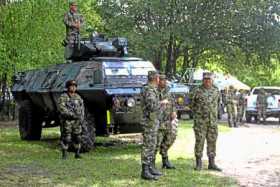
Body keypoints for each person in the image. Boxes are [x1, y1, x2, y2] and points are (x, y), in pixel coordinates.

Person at [190, 72, 222, 171]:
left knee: (212, 142)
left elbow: (218, 103)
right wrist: (198, 114)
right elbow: (191, 104)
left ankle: (211, 163)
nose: (207, 81)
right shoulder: (197, 90)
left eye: (209, 79)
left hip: (212, 121)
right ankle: (198, 163)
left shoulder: (216, 90)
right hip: (200, 122)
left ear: (212, 80)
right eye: (205, 79)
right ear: (202, 80)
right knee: (200, 141)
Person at [140, 71, 164, 180]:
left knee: (152, 145)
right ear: (156, 78)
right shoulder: (149, 90)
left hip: (153, 121)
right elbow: (152, 106)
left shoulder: (152, 89)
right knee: (148, 145)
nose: (159, 80)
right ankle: (145, 171)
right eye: (158, 78)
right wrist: (162, 102)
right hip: (149, 122)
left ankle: (150, 168)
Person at [154, 74, 178, 170]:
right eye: (161, 80)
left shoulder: (168, 91)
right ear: (158, 81)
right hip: (158, 121)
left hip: (168, 120)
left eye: (164, 80)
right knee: (156, 143)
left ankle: (165, 160)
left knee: (169, 139)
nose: (163, 82)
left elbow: (173, 103)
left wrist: (174, 111)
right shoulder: (154, 91)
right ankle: (151, 164)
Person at [58, 80, 85, 159]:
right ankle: (64, 154)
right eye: (71, 86)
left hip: (77, 121)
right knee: (66, 138)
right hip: (67, 121)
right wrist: (72, 115)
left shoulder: (78, 97)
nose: (73, 87)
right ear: (68, 87)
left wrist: (81, 117)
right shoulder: (63, 97)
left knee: (78, 137)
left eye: (75, 86)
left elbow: (82, 107)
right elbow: (62, 109)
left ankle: (77, 153)